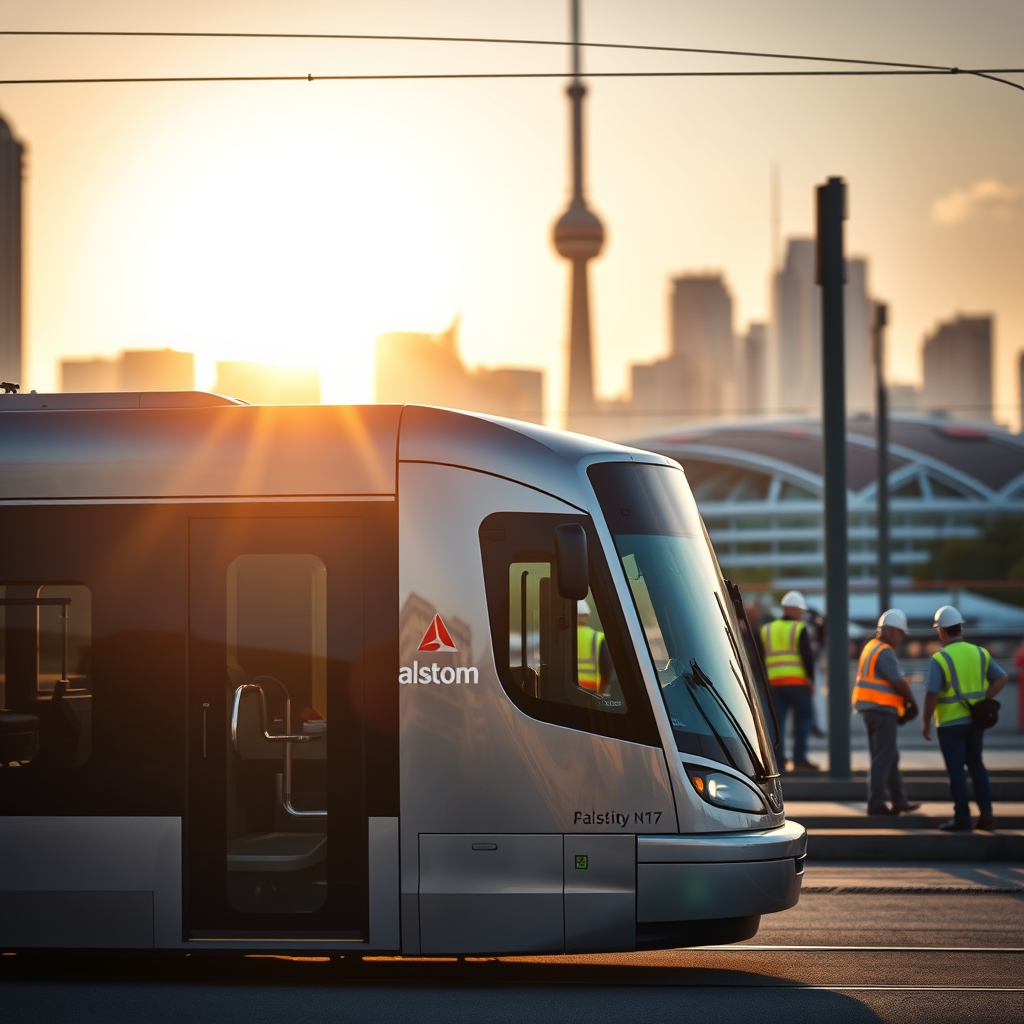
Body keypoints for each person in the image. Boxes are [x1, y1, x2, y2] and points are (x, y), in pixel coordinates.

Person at [922, 605, 1008, 832]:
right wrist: (982, 701)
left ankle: (962, 818)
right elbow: (1001, 678)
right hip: (976, 723)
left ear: (941, 632)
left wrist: (925, 721)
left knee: (957, 771)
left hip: (950, 724)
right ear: (960, 627)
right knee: (977, 765)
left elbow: (931, 694)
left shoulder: (940, 659)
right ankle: (987, 815)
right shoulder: (980, 653)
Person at [851, 609, 922, 816]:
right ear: (891, 631)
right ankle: (876, 803)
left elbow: (882, 680)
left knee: (889, 755)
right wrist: (911, 701)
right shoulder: (885, 650)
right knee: (883, 757)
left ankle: (899, 800)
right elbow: (896, 681)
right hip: (881, 709)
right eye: (900, 633)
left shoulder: (870, 647)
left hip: (869, 708)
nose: (901, 638)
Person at [759, 590, 818, 771]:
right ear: (792, 610)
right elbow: (807, 657)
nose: (801, 614)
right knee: (805, 718)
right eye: (800, 610)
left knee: (778, 725)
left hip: (774, 685)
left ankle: (779, 761)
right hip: (797, 682)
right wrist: (811, 680)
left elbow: (759, 658)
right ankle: (799, 758)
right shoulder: (799, 629)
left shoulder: (766, 630)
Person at [576, 599, 612, 696]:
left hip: (567, 692)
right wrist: (601, 691)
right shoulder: (598, 637)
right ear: (587, 616)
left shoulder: (563, 636)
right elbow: (606, 669)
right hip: (592, 693)